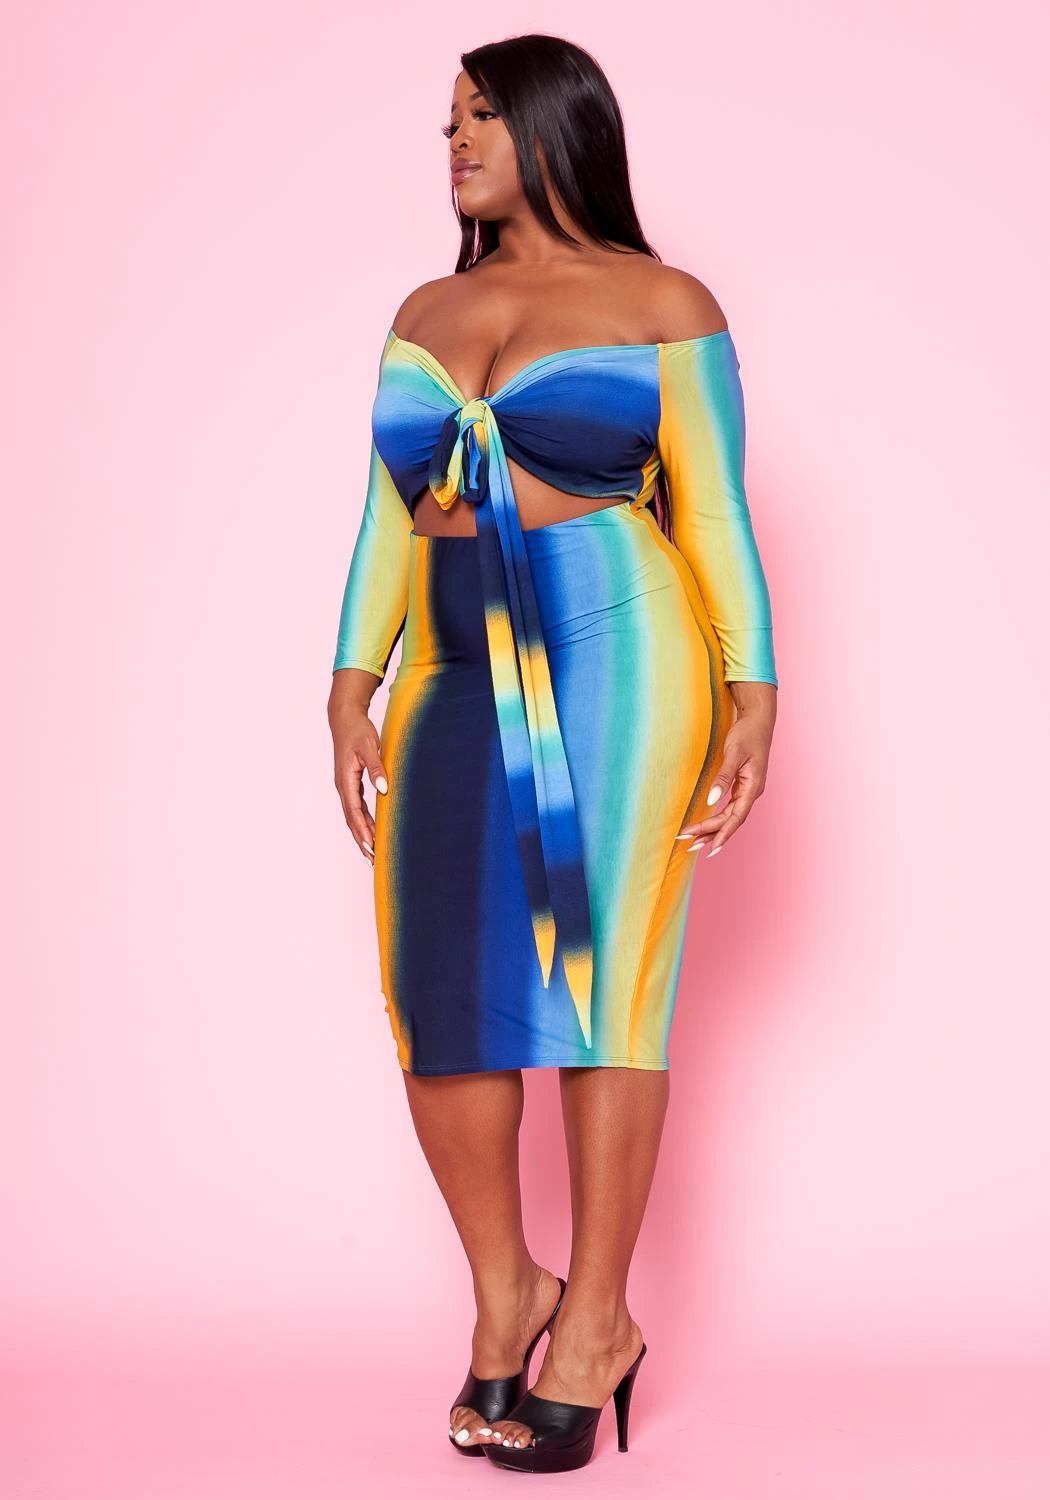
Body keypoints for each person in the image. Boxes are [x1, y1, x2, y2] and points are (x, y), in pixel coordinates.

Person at [327, 34, 779, 1474]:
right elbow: (390, 513)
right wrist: (350, 678)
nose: (454, 141)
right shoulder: (425, 310)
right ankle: (506, 1289)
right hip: (450, 662)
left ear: (553, 125)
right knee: (436, 992)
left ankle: (593, 1327)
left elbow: (714, 512)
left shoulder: (662, 302)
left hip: (617, 648)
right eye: (446, 121)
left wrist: (752, 686)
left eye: (480, 115)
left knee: (606, 986)